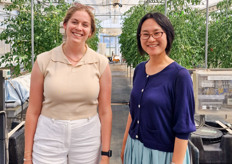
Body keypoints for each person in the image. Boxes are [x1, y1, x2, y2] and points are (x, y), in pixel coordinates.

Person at [24, 2, 112, 164]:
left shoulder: (100, 63)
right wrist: (27, 156)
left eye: (85, 25)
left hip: (87, 136)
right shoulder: (44, 60)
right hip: (49, 134)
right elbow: (33, 110)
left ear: (91, 32)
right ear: (65, 25)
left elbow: (105, 111)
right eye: (74, 22)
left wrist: (105, 155)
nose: (79, 28)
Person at [121, 12, 196, 164]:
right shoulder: (140, 70)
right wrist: (124, 148)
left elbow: (183, 129)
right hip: (134, 148)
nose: (151, 39)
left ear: (167, 35)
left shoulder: (179, 76)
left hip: (162, 156)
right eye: (145, 34)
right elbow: (133, 112)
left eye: (157, 33)